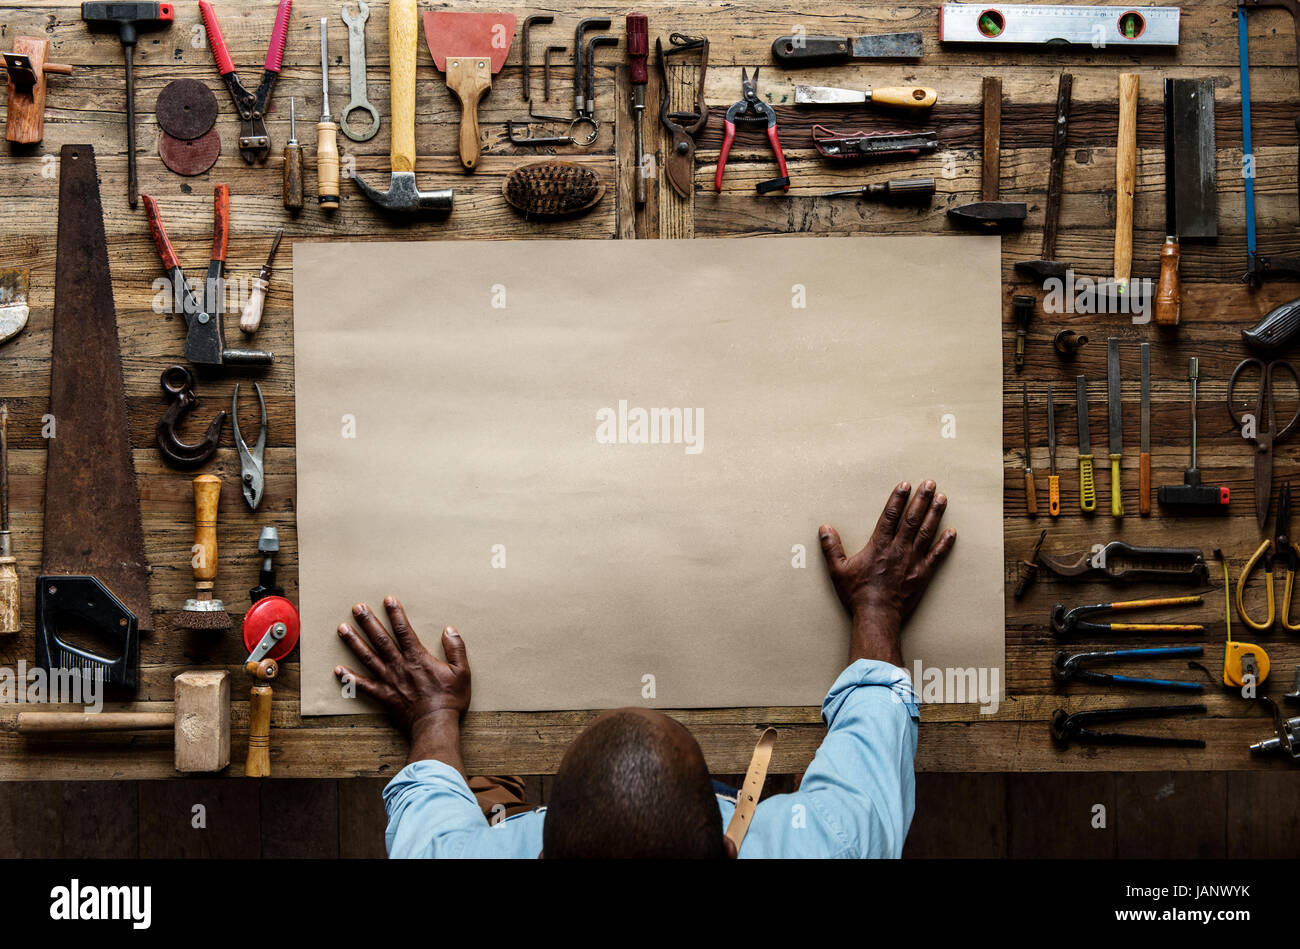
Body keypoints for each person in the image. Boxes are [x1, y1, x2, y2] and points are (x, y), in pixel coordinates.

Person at [334, 480, 956, 858]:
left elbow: (429, 834)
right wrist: (877, 606)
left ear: (538, 849)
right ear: (729, 845)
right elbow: (873, 741)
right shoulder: (831, 846)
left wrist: (434, 718)